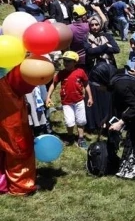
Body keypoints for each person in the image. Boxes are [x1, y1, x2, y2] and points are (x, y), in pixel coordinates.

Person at [0, 67, 38, 196]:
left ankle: (3, 183)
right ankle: (20, 186)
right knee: (17, 147)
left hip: (9, 111)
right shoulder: (13, 69)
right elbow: (27, 85)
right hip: (10, 116)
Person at [46, 51, 93, 149]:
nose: (66, 63)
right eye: (64, 61)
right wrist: (48, 96)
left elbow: (86, 84)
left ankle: (81, 138)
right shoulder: (61, 73)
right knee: (69, 121)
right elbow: (54, 84)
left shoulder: (80, 72)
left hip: (79, 101)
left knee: (81, 120)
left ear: (75, 62)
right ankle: (70, 136)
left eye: (69, 61)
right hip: (67, 102)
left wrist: (90, 97)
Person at [84, 15, 120, 133]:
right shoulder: (86, 37)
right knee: (96, 96)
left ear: (100, 25)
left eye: (96, 24)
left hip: (108, 70)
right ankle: (96, 123)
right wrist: (105, 46)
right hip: (94, 71)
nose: (94, 27)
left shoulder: (107, 35)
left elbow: (116, 49)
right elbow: (89, 51)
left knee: (109, 96)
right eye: (92, 25)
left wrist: (97, 49)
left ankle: (111, 121)